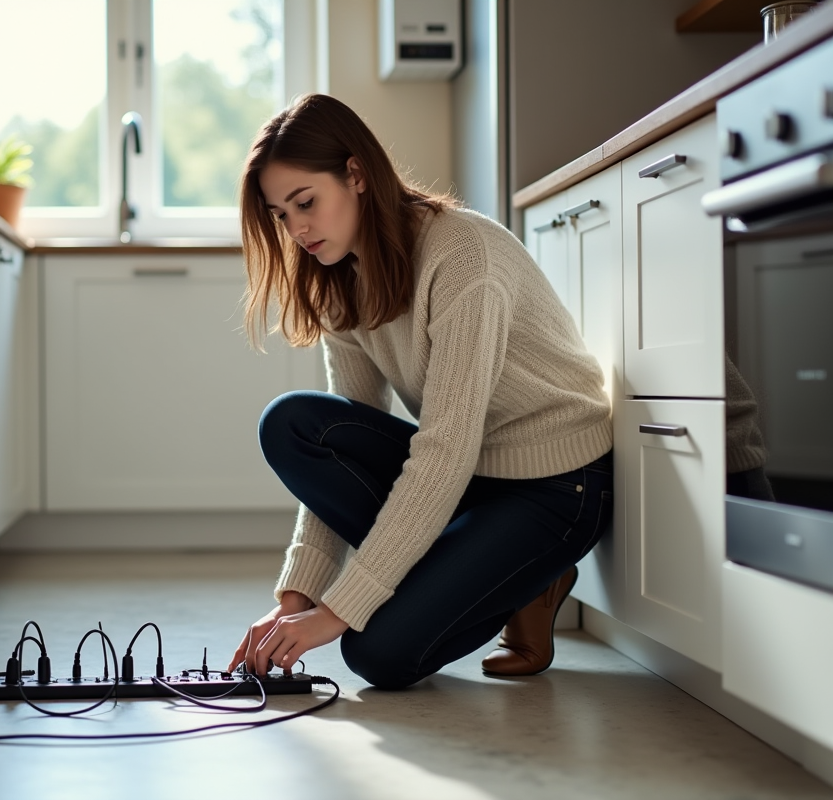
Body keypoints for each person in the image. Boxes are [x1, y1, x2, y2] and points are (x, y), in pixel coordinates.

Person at [227, 94, 614, 689]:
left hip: (558, 485)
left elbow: (444, 449)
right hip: (472, 480)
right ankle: (494, 570)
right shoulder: (339, 283)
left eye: (306, 202)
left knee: (374, 654)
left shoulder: (462, 256)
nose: (297, 228)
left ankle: (534, 570)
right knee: (296, 424)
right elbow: (352, 435)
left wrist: (339, 610)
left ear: (355, 175)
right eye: (282, 215)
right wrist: (297, 596)